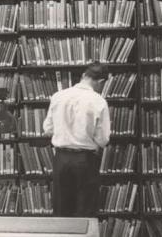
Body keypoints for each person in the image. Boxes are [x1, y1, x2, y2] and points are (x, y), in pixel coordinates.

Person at [43, 62, 110, 217]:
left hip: (61, 159)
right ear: (101, 82)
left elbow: (48, 129)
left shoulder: (58, 96)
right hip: (85, 161)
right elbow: (103, 140)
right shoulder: (99, 101)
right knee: (85, 211)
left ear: (83, 76)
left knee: (61, 210)